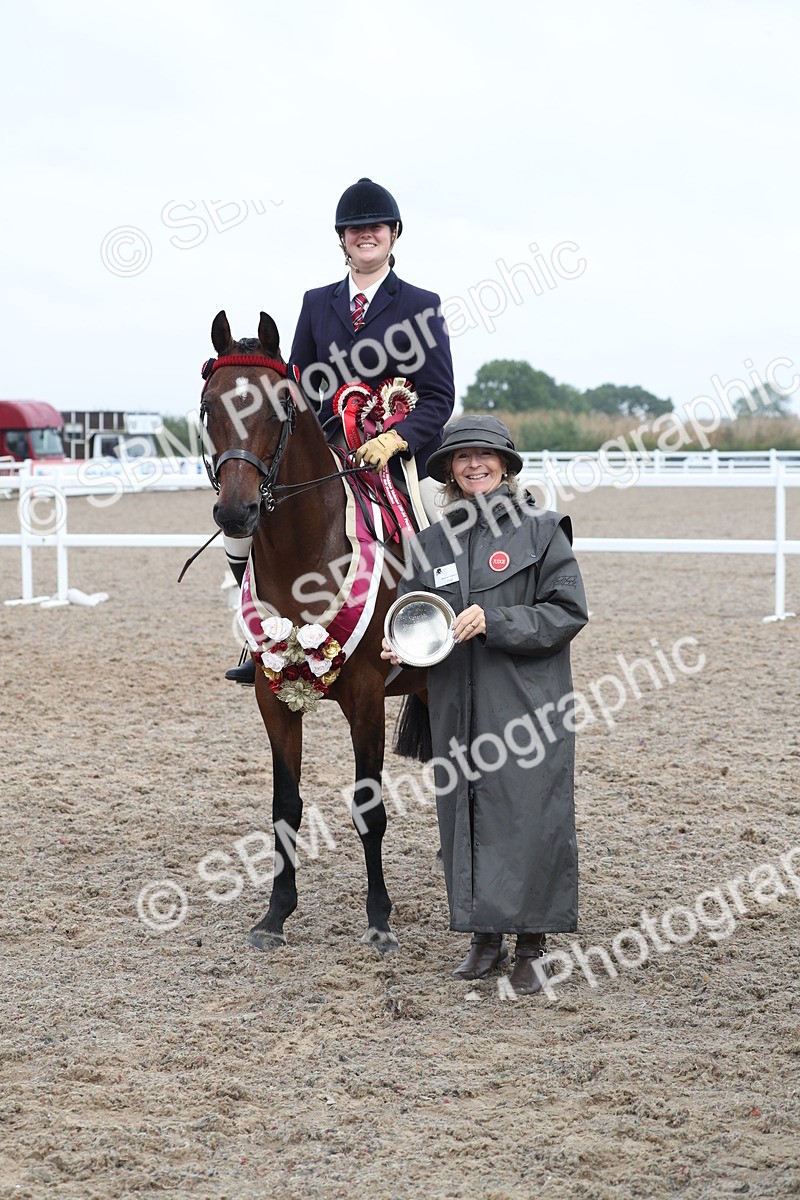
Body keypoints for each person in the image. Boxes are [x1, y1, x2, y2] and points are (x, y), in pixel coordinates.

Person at [382, 416, 589, 994]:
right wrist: (396, 648)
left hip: (527, 704)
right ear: (448, 469)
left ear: (506, 463)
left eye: (486, 456)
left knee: (528, 816)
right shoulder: (429, 544)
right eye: (462, 457)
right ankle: (483, 937)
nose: (475, 465)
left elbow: (566, 613)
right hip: (455, 706)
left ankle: (532, 944)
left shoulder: (544, 532)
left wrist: (494, 620)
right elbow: (415, 620)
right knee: (464, 816)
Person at [226, 177, 456, 684]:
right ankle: (259, 640)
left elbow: (439, 396)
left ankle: (434, 631)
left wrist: (394, 439)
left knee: (438, 525)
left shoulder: (421, 304)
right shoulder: (315, 303)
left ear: (394, 234)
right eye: (354, 229)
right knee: (253, 515)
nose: (364, 235)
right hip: (329, 451)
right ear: (341, 239)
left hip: (399, 459)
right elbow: (299, 386)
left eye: (374, 227)